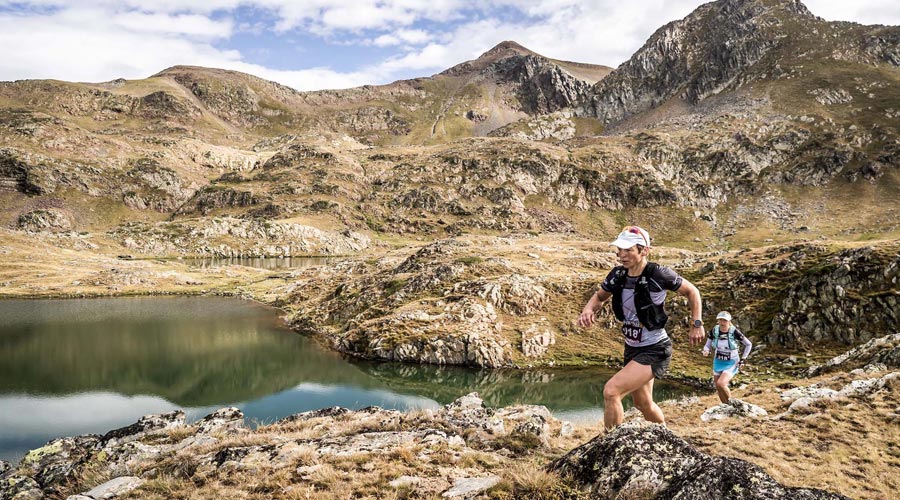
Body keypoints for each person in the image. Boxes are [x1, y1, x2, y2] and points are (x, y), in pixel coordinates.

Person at [578, 226, 704, 429]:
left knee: (611, 391)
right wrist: (588, 309)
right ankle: (664, 434)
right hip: (632, 347)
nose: (622, 255)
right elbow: (600, 297)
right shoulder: (618, 274)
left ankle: (610, 441)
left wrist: (696, 323)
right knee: (643, 403)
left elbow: (692, 291)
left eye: (628, 250)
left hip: (655, 348)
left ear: (644, 250)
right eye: (619, 249)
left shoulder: (658, 274)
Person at [702, 311, 752, 403]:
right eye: (720, 320)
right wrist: (706, 350)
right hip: (718, 361)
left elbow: (748, 344)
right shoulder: (714, 331)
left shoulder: (734, 332)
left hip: (731, 362)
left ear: (729, 321)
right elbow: (707, 345)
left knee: (721, 384)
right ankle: (725, 406)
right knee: (718, 386)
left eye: (724, 320)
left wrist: (743, 359)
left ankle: (732, 404)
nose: (722, 322)